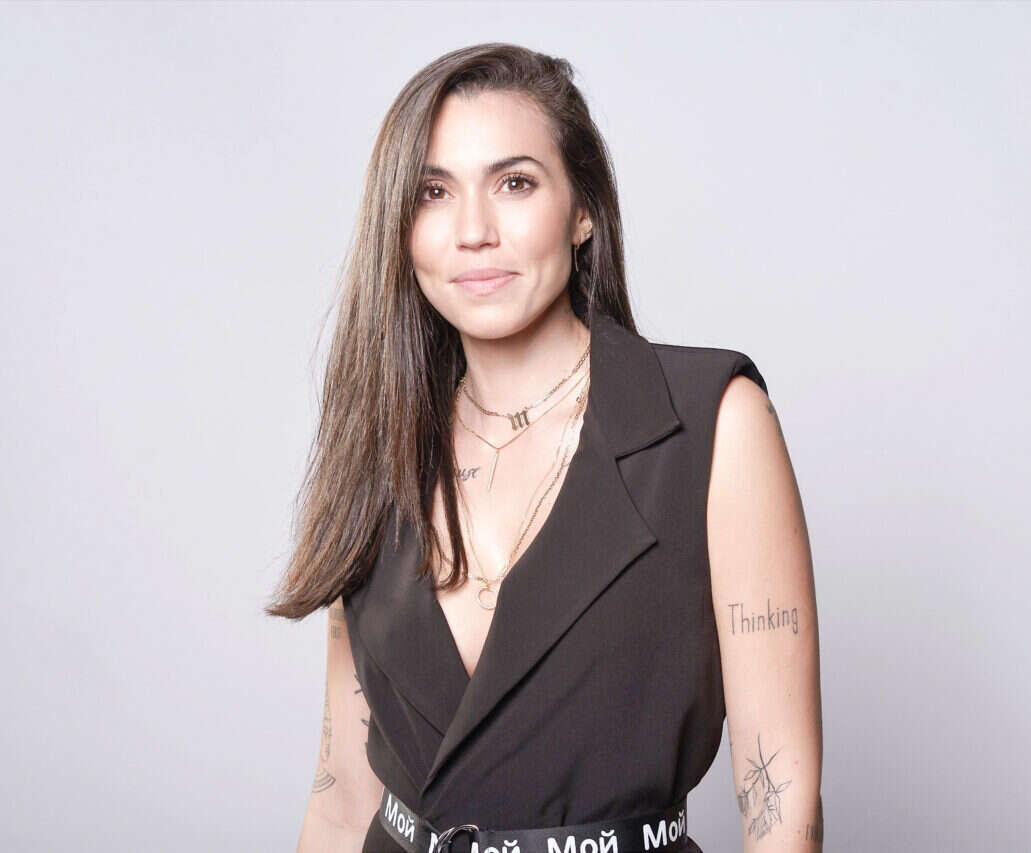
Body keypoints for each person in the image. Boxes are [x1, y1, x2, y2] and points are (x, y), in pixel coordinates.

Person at [268, 43, 823, 853]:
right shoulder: (380, 443)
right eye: (432, 192)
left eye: (515, 183)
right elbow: (342, 797)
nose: (473, 232)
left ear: (583, 209)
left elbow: (782, 800)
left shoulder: (714, 422)